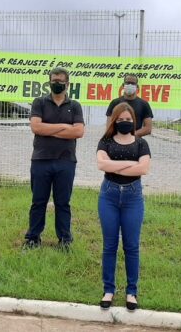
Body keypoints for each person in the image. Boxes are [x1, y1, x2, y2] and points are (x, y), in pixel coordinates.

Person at [96, 103, 151, 311]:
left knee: (131, 246)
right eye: (120, 120)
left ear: (134, 121)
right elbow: (102, 165)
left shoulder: (141, 143)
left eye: (128, 120)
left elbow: (143, 169)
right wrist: (131, 164)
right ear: (114, 121)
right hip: (109, 196)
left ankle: (131, 292)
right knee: (109, 245)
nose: (125, 122)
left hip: (133, 197)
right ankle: (108, 290)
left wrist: (115, 165)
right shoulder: (105, 141)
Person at [23, 67, 85, 250]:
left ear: (67, 84)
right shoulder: (39, 102)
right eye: (54, 81)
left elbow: (79, 131)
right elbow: (36, 127)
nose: (57, 84)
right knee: (38, 201)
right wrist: (65, 128)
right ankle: (33, 238)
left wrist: (48, 128)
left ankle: (65, 240)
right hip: (41, 160)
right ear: (49, 82)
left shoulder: (75, 106)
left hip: (66, 161)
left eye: (60, 81)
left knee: (63, 203)